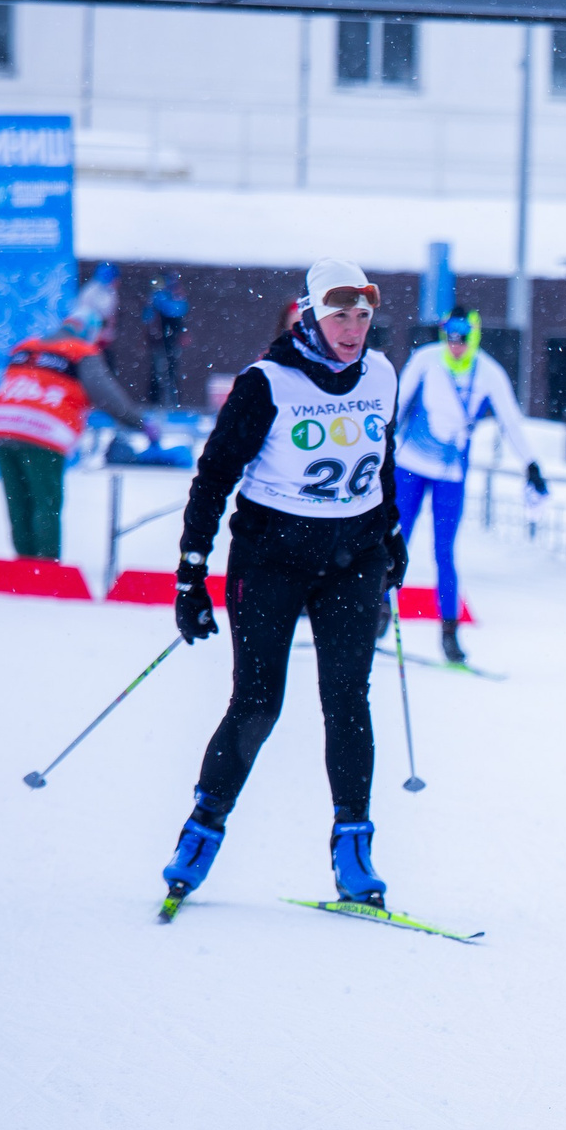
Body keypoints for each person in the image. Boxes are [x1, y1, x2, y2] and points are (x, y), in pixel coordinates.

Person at [158, 259, 407, 914]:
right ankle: (202, 830)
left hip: (354, 558)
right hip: (271, 560)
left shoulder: (381, 375)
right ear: (309, 315)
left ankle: (353, 846)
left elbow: (383, 464)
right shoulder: (268, 383)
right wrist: (191, 572)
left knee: (348, 699)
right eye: (338, 315)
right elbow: (213, 479)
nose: (352, 328)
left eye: (362, 315)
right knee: (259, 702)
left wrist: (393, 540)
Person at [395, 306, 547, 664]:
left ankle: (449, 633)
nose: (456, 345)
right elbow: (397, 404)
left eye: (463, 338)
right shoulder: (427, 359)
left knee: (444, 552)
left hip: (450, 474)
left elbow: (511, 420)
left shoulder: (489, 373)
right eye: (450, 337)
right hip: (410, 466)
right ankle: (378, 614)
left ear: (474, 337)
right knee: (396, 541)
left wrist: (531, 465)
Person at [0, 262, 158, 562]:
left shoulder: (27, 346)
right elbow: (108, 397)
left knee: (17, 501)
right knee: (45, 501)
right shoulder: (82, 352)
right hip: (43, 429)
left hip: (1, 425)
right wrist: (141, 422)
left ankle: (22, 567)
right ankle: (46, 568)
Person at [141, 271, 189, 408]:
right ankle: (158, 402)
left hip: (169, 342)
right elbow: (171, 310)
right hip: (161, 342)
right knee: (160, 372)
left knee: (169, 372)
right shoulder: (160, 298)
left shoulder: (171, 299)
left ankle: (170, 403)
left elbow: (179, 311)